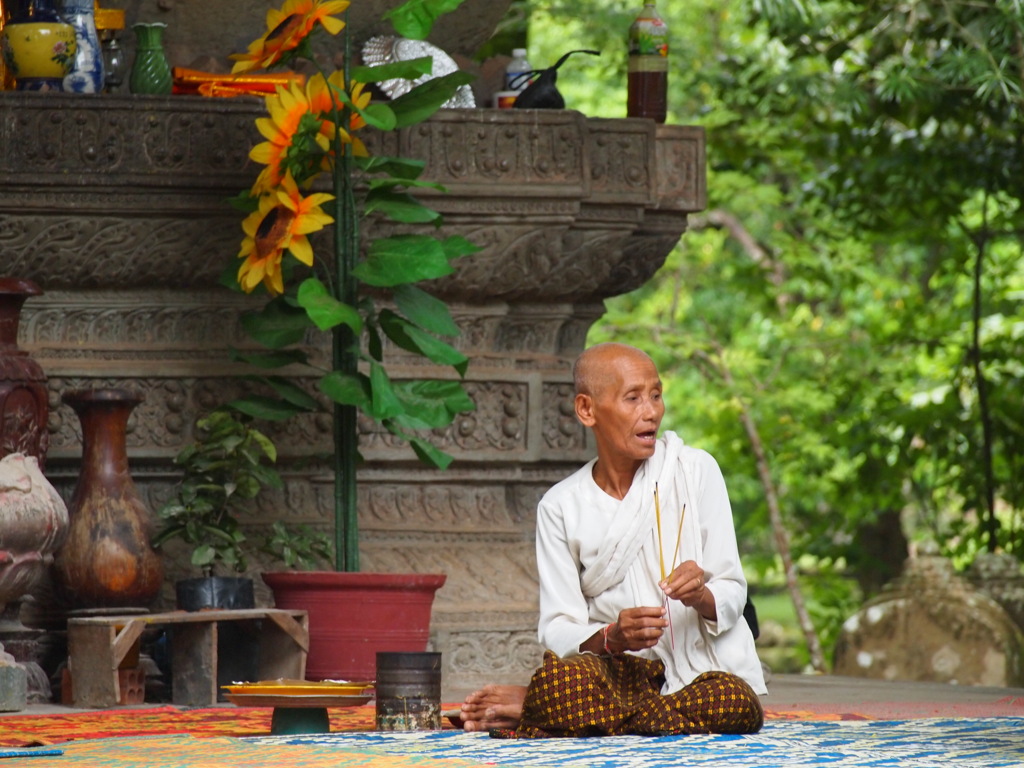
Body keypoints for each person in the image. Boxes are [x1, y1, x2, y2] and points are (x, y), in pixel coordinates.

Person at [460, 342, 766, 738]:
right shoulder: (561, 506)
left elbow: (732, 590)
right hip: (619, 678)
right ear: (587, 410)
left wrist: (700, 596)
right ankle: (627, 716)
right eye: (633, 398)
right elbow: (558, 626)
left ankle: (553, 713)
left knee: (734, 701)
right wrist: (612, 635)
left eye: (656, 395)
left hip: (701, 677)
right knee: (561, 684)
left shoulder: (694, 471)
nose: (652, 411)